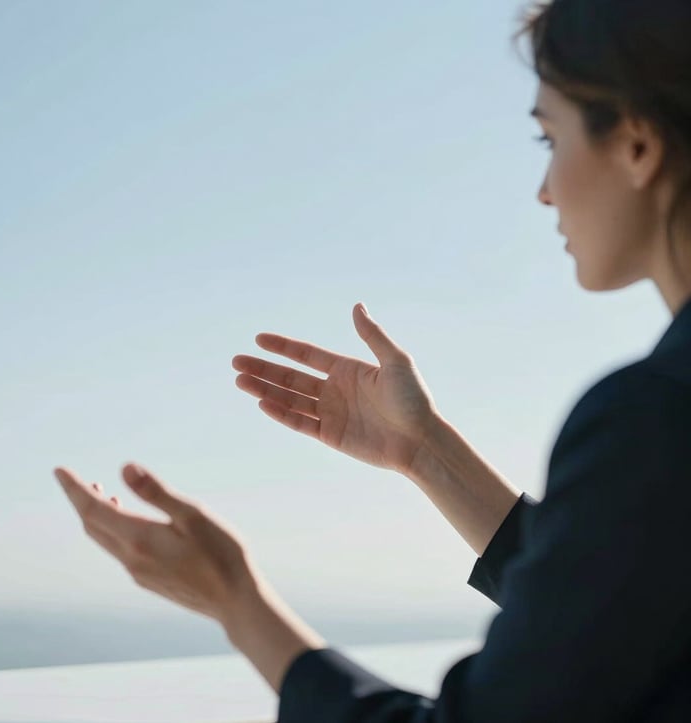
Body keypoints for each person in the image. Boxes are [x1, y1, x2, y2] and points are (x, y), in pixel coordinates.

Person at [55, 0, 691, 719]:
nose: (544, 190)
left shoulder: (654, 414)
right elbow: (616, 609)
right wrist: (422, 451)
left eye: (550, 139)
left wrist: (236, 601)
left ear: (637, 144)